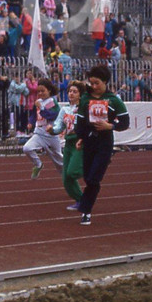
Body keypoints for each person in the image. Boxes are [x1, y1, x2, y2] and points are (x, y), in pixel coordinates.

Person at [73, 64, 130, 225]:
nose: (94, 86)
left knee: (94, 179)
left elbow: (125, 122)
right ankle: (85, 205)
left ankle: (86, 211)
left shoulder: (114, 100)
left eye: (97, 83)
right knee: (87, 176)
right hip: (89, 141)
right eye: (91, 83)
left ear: (105, 81)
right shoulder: (85, 98)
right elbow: (80, 122)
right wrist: (80, 137)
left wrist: (109, 126)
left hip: (104, 142)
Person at [52, 80, 86, 211]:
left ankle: (91, 167)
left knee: (73, 171)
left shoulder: (83, 108)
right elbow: (59, 125)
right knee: (66, 178)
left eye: (75, 92)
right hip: (69, 144)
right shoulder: (64, 109)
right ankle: (81, 200)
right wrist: (52, 130)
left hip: (80, 142)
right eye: (70, 91)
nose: (71, 94)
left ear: (80, 94)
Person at [22, 77, 63, 179]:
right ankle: (38, 164)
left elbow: (52, 115)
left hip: (51, 135)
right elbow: (33, 114)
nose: (40, 93)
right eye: (38, 91)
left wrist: (41, 107)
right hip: (39, 134)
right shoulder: (38, 102)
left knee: (59, 160)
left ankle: (67, 176)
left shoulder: (52, 101)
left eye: (43, 91)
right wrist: (30, 122)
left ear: (49, 90)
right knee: (27, 148)